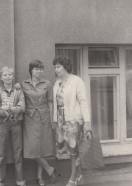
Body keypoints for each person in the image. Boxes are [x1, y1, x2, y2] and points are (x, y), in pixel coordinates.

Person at [52, 57, 91, 186]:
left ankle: (73, 178)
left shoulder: (77, 81)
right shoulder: (57, 83)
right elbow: (56, 104)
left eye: (58, 67)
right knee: (70, 151)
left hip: (73, 121)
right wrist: (55, 120)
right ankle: (79, 176)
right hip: (61, 122)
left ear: (65, 67)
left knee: (74, 151)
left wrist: (87, 121)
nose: (56, 69)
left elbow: (83, 102)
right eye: (55, 67)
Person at [21, 60, 56, 186]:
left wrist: (52, 120)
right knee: (32, 148)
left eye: (41, 69)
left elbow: (50, 102)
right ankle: (49, 168)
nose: (39, 72)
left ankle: (39, 177)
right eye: (36, 69)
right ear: (31, 70)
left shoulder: (47, 83)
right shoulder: (23, 84)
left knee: (40, 148)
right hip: (29, 118)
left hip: (44, 117)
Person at [0, 66, 26, 186]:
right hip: (3, 124)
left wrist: (9, 108)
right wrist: (7, 111)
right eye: (5, 75)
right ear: (1, 78)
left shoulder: (19, 91)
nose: (8, 77)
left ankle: (20, 181)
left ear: (13, 77)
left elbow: (22, 108)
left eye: (10, 75)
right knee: (1, 154)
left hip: (16, 123)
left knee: (18, 153)